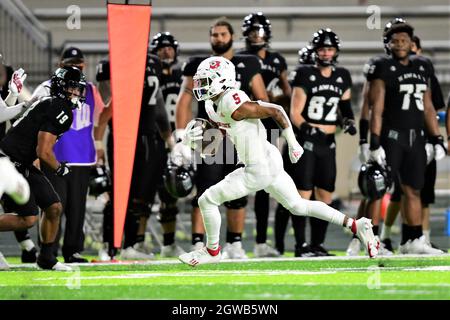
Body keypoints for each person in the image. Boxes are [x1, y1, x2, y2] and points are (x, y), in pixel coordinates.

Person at [178, 56, 379, 266]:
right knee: (299, 206)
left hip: (258, 168)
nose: (200, 85)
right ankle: (356, 225)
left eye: (206, 80)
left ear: (222, 80)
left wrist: (293, 143)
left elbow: (276, 110)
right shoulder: (213, 104)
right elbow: (222, 138)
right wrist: (196, 142)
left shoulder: (231, 100)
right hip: (268, 159)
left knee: (207, 200)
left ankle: (212, 251)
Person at [174, 18, 268, 259]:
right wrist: (181, 136)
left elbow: (262, 100)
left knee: (238, 192)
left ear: (232, 37)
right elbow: (184, 101)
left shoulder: (248, 63)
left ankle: (234, 244)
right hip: (211, 136)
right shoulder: (200, 64)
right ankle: (199, 242)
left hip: (239, 135)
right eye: (214, 34)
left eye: (222, 34)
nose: (218, 38)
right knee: (205, 191)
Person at [367, 19, 445, 254]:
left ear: (412, 43)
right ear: (388, 44)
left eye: (404, 40)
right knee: (379, 189)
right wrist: (374, 142)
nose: (400, 44)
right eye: (395, 40)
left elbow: (428, 106)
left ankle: (414, 240)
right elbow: (376, 109)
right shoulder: (383, 67)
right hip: (392, 137)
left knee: (414, 190)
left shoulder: (423, 66)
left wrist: (436, 138)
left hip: (416, 138)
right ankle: (374, 241)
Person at [0, 66, 87, 270]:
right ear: (60, 87)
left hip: (22, 162)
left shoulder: (51, 103)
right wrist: (59, 169)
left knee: (54, 207)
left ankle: (47, 258)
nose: (75, 93)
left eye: (77, 89)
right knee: (28, 218)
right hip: (8, 164)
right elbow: (44, 151)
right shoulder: (59, 108)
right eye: (70, 88)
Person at [28, 47, 105, 263]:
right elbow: (31, 116)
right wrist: (35, 153)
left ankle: (72, 251)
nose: (76, 67)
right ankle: (48, 250)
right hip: (53, 155)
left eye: (79, 64)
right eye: (70, 63)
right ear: (60, 65)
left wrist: (99, 143)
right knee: (54, 205)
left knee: (76, 208)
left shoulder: (89, 89)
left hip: (82, 156)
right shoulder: (47, 89)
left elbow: (104, 112)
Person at [95, 53, 174, 260]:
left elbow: (158, 105)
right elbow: (105, 106)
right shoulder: (110, 63)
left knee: (139, 196)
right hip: (122, 135)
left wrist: (168, 138)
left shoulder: (152, 62)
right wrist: (98, 142)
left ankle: (130, 244)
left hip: (147, 136)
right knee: (118, 192)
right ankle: (109, 245)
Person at [288, 29, 357, 257]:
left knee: (326, 195)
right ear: (315, 51)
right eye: (322, 49)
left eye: (330, 49)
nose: (326, 53)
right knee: (302, 196)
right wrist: (309, 129)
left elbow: (345, 108)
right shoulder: (305, 74)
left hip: (328, 144)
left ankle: (317, 244)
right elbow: (295, 113)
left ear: (335, 51)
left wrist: (348, 122)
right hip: (307, 142)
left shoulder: (343, 76)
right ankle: (300, 246)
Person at [239, 12, 291, 258]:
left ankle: (260, 241)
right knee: (233, 176)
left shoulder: (277, 60)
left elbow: (287, 92)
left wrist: (274, 102)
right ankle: (232, 241)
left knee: (264, 183)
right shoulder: (240, 59)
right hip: (242, 124)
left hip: (268, 126)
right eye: (252, 32)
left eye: (259, 32)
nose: (256, 37)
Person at [150, 32, 185, 257]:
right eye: (161, 47)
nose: (165, 51)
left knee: (171, 193)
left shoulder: (184, 74)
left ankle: (169, 244)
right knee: (143, 194)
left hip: (178, 140)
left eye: (169, 47)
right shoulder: (150, 75)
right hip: (152, 139)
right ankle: (133, 243)